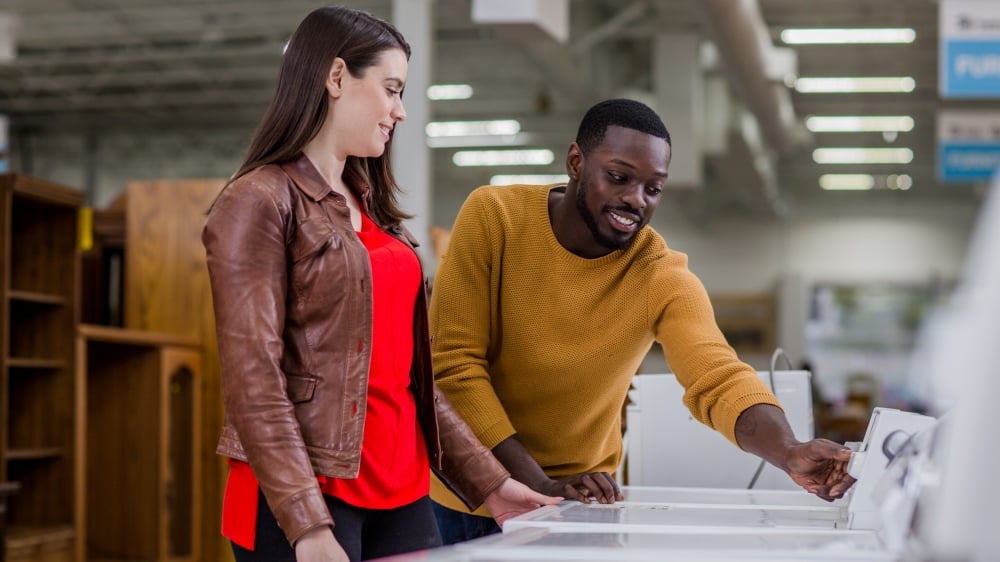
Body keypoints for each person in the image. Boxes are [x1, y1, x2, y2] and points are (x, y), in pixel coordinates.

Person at [202, 7, 559, 562]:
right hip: (311, 494)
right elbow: (254, 380)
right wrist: (307, 525)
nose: (401, 111)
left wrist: (491, 483)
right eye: (392, 90)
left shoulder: (374, 208)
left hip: (403, 487)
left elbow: (410, 376)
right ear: (337, 77)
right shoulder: (259, 200)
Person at [428, 98, 857, 544]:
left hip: (579, 500)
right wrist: (536, 483)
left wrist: (789, 451)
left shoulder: (659, 273)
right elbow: (454, 367)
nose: (635, 199)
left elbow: (718, 376)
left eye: (653, 188)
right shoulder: (495, 217)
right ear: (576, 162)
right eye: (619, 177)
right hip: (472, 495)